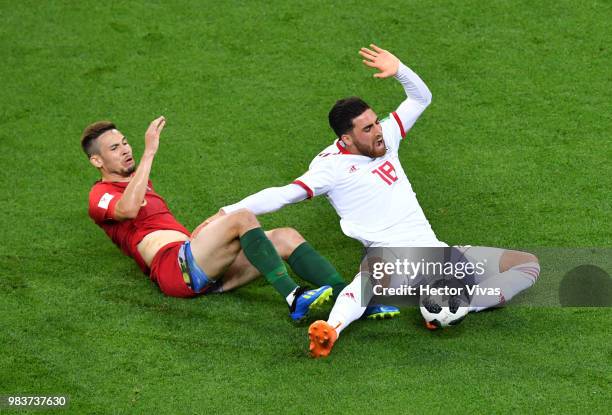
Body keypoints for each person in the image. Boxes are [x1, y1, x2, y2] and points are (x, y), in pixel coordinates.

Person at [210, 44, 540, 357]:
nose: (378, 131)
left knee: (527, 265)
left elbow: (421, 98)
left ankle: (458, 303)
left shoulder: (388, 136)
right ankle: (332, 328)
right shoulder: (330, 169)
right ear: (346, 139)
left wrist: (399, 70)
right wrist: (228, 211)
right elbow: (282, 195)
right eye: (367, 128)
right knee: (370, 277)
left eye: (376, 121)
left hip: (436, 252)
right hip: (390, 258)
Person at [82, 116, 350, 321]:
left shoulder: (140, 184)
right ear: (97, 161)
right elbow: (127, 210)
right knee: (242, 217)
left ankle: (351, 298)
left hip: (197, 261)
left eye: (126, 142)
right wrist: (149, 151)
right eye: (115, 148)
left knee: (285, 236)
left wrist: (204, 235)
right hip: (174, 270)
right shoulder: (99, 194)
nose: (126, 150)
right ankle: (294, 296)